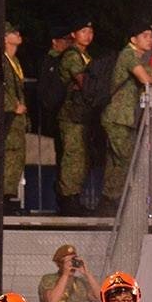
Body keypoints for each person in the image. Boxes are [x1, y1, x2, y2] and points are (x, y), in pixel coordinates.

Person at [98, 24, 152, 216]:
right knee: (124, 158)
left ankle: (108, 202)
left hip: (124, 118)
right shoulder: (128, 55)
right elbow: (146, 78)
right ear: (133, 39)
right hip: (117, 117)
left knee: (116, 161)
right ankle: (112, 200)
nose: (150, 39)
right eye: (145, 35)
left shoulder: (137, 57)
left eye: (151, 36)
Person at [54, 19, 96, 213]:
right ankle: (67, 198)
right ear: (74, 34)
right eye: (83, 31)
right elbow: (82, 80)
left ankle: (74, 196)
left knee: (80, 157)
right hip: (71, 113)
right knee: (72, 156)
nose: (88, 35)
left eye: (90, 31)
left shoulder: (84, 55)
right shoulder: (72, 55)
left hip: (82, 113)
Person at [0, 23, 27, 214]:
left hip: (17, 118)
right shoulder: (1, 61)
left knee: (17, 157)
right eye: (12, 32)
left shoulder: (14, 60)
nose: (18, 34)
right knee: (8, 156)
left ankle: (8, 195)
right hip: (8, 116)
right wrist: (12, 105)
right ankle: (2, 197)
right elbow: (0, 87)